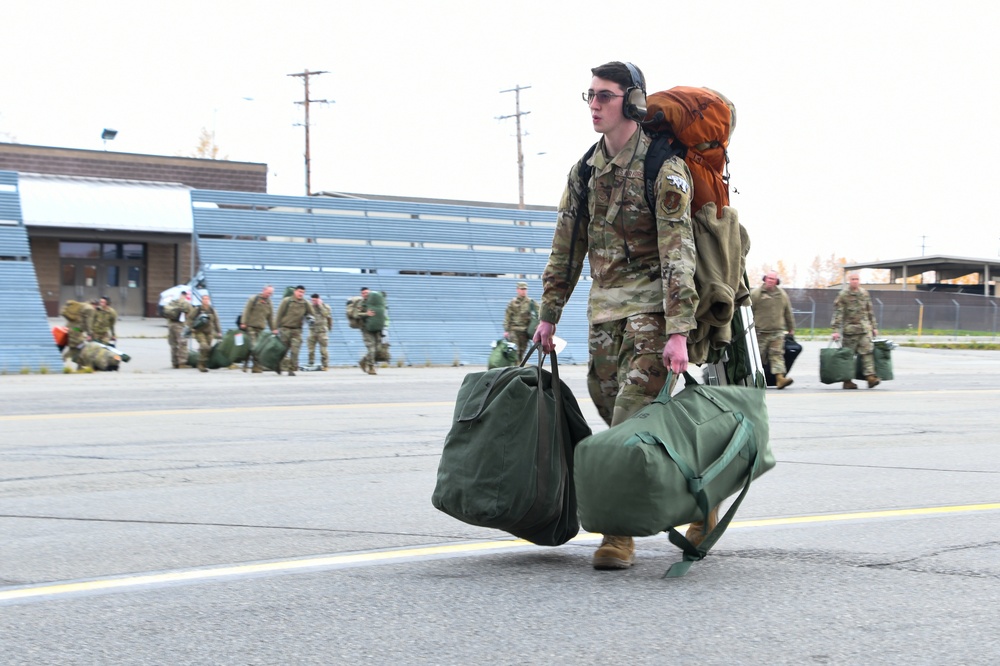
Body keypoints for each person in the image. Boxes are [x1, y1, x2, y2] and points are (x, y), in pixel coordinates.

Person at [532, 61, 699, 570]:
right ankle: (699, 494)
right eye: (589, 96)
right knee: (611, 413)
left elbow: (678, 252)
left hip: (651, 311)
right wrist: (548, 314)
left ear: (631, 102)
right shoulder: (585, 172)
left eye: (604, 96)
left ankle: (617, 535)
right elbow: (566, 247)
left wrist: (679, 332)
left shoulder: (663, 169)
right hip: (603, 314)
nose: (594, 105)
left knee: (628, 419)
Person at [832, 272, 880, 389]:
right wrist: (835, 329)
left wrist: (874, 327)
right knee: (848, 356)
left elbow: (869, 311)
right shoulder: (843, 295)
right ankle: (847, 381)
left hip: (864, 329)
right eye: (853, 279)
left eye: (857, 279)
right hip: (850, 331)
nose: (855, 281)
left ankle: (870, 378)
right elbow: (838, 313)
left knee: (867, 353)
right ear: (849, 280)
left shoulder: (864, 293)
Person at [751, 271, 795, 389]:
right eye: (769, 278)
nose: (771, 280)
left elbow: (788, 312)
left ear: (777, 281)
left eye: (773, 279)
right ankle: (754, 380)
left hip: (777, 332)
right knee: (758, 357)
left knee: (777, 355)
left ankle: (780, 379)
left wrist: (791, 328)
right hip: (760, 332)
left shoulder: (782, 295)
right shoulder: (756, 294)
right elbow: (748, 311)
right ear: (765, 279)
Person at [275, 285, 316, 376]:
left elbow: (312, 313)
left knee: (295, 350)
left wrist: (310, 318)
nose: (301, 294)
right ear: (295, 291)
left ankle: (291, 369)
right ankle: (278, 365)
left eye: (303, 292)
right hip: (285, 329)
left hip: (297, 331)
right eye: (299, 292)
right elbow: (278, 314)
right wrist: (275, 328)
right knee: (283, 350)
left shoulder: (305, 303)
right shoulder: (287, 301)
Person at [240, 285, 275, 373]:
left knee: (255, 347)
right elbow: (246, 310)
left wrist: (273, 329)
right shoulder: (254, 299)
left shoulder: (269, 303)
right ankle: (255, 366)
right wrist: (243, 322)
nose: (269, 295)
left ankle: (248, 364)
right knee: (255, 346)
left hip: (261, 328)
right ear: (263, 290)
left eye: (271, 293)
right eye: (268, 292)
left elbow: (270, 317)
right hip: (251, 326)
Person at [354, 287, 385, 375]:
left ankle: (363, 361)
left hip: (377, 329)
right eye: (363, 293)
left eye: (367, 292)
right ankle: (371, 367)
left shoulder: (376, 301)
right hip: (366, 329)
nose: (365, 294)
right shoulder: (361, 303)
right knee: (371, 348)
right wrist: (366, 314)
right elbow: (356, 314)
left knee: (378, 349)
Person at [503, 281, 538, 361]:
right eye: (522, 289)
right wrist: (506, 330)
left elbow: (539, 314)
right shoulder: (512, 303)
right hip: (514, 330)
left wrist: (537, 325)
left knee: (522, 352)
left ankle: (518, 368)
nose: (523, 291)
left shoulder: (531, 302)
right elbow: (507, 316)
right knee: (515, 351)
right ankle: (516, 368)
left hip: (525, 331)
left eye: (525, 289)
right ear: (517, 290)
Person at [189, 294, 221, 373]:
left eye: (207, 299)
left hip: (209, 333)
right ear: (202, 300)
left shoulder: (212, 310)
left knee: (207, 349)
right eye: (204, 299)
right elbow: (190, 318)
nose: (205, 300)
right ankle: (200, 364)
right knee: (204, 346)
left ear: (209, 300)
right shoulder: (198, 309)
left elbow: (216, 321)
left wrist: (219, 331)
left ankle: (203, 364)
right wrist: (191, 328)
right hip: (199, 332)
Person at [165, 290, 194, 369]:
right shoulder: (186, 304)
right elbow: (191, 315)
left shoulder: (172, 303)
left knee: (173, 344)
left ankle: (174, 363)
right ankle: (182, 363)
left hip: (171, 325)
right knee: (182, 343)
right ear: (185, 296)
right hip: (180, 326)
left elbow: (167, 313)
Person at [307, 293, 333, 370]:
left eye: (315, 300)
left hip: (322, 331)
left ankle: (325, 365)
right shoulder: (310, 307)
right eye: (312, 300)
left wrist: (320, 305)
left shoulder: (325, 306)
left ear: (318, 299)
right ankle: (311, 363)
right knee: (311, 349)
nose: (313, 302)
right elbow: (306, 316)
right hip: (312, 330)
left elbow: (326, 314)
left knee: (323, 349)